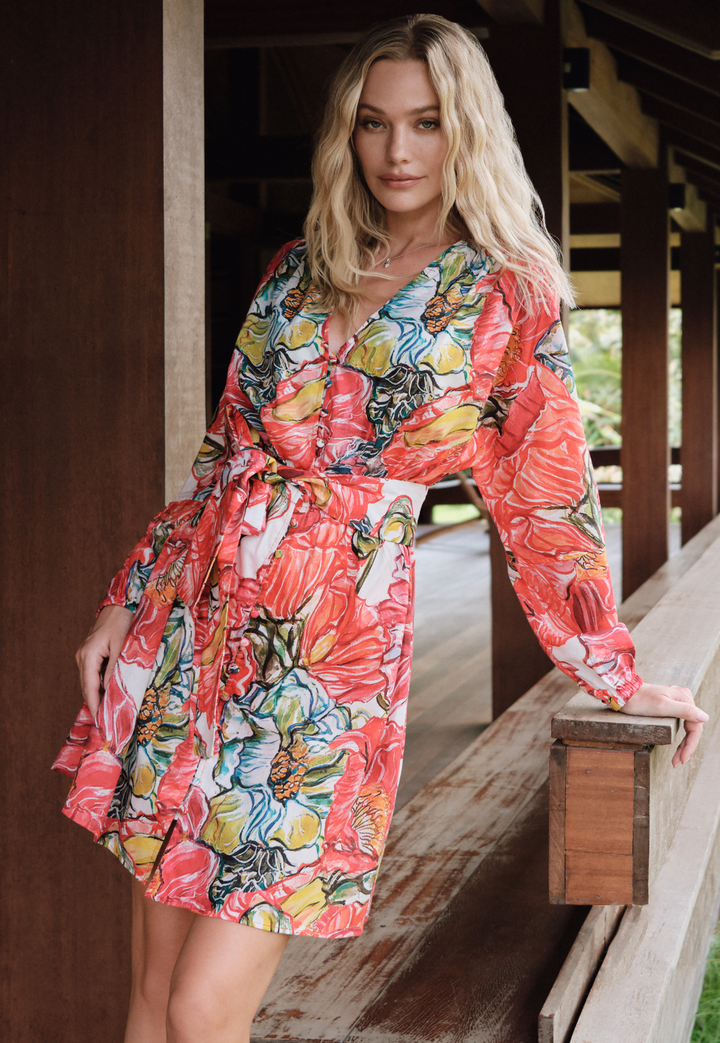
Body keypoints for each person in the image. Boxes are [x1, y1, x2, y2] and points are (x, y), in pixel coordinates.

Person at [53, 13, 708, 1043]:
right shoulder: (297, 269)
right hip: (192, 633)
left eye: (427, 123)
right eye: (373, 123)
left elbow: (545, 502)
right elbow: (221, 458)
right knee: (150, 988)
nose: (397, 151)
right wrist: (116, 607)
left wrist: (615, 673)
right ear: (346, 137)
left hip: (326, 660)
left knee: (201, 1004)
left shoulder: (505, 294)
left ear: (468, 131)